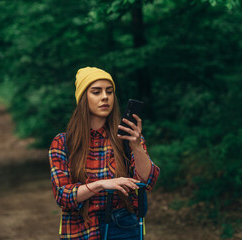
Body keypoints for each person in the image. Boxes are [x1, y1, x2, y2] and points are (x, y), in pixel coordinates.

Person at [49, 67, 160, 240]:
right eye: (96, 91)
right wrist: (101, 184)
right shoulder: (63, 142)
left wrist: (137, 147)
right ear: (83, 98)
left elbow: (147, 182)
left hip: (123, 224)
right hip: (80, 227)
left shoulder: (127, 138)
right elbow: (63, 196)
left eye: (109, 92)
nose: (105, 97)